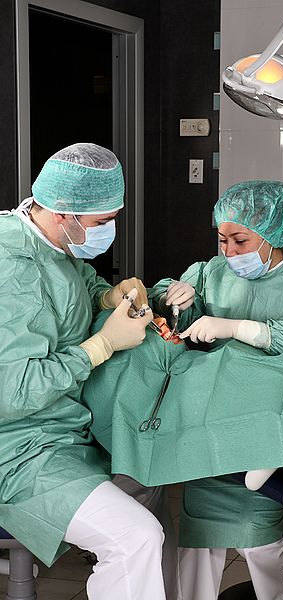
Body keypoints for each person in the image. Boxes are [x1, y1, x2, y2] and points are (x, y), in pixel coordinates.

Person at [153, 180, 283, 600]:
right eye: (222, 240)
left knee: (261, 536)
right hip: (208, 425)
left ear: (275, 234)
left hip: (268, 428)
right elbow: (178, 323)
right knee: (198, 540)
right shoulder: (209, 273)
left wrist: (240, 328)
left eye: (240, 240)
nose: (229, 252)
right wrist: (177, 297)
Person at [0, 143, 167, 600]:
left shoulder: (49, 240)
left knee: (155, 475)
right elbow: (11, 393)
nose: (109, 230)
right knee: (136, 538)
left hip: (64, 428)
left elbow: (73, 283)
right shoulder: (10, 269)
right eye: (102, 223)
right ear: (61, 213)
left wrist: (107, 296)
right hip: (17, 449)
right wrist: (101, 346)